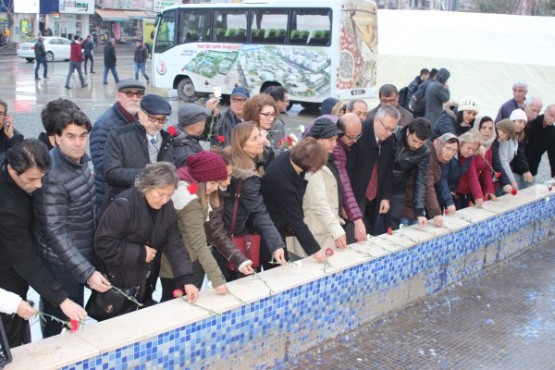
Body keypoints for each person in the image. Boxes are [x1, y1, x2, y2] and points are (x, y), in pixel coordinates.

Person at [0, 140, 86, 347]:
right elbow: (24, 259)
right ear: (12, 170)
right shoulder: (7, 205)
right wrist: (61, 300)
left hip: (17, 259)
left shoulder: (13, 162)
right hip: (5, 272)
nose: (39, 185)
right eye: (32, 179)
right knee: (9, 332)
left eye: (42, 177)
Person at [33, 110, 111, 338]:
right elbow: (54, 231)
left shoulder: (82, 161)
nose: (78, 143)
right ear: (56, 138)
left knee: (74, 322)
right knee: (58, 323)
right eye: (70, 136)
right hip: (59, 263)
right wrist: (86, 272)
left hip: (79, 255)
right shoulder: (53, 175)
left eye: (83, 135)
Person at [94, 162, 199, 306]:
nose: (165, 200)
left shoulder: (167, 208)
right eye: (160, 194)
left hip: (145, 280)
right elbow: (103, 244)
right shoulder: (123, 206)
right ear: (146, 186)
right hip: (120, 281)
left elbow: (175, 244)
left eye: (169, 195)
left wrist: (186, 280)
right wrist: (140, 253)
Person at [213, 122, 286, 279]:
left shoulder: (232, 158)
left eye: (259, 135)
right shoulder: (245, 176)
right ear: (242, 146)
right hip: (234, 238)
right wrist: (276, 244)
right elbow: (259, 212)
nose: (261, 140)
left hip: (222, 235)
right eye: (254, 139)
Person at [160, 152, 234, 301]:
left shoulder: (191, 185)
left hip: (178, 261)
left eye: (218, 183)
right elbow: (199, 244)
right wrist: (218, 280)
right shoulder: (190, 201)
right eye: (213, 183)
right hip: (180, 266)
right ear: (201, 179)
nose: (215, 188)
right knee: (176, 307)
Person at [261, 136, 329, 263]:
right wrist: (315, 250)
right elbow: (295, 220)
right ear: (311, 164)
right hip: (269, 225)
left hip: (274, 218)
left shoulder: (291, 157)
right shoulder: (283, 182)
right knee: (278, 266)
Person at [288, 118, 346, 258]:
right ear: (318, 140)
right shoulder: (311, 163)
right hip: (315, 237)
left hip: (321, 233)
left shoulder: (320, 158)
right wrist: (337, 231)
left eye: (336, 139)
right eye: (331, 140)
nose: (335, 144)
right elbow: (319, 204)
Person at [103, 94, 173, 209]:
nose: (156, 123)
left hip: (157, 205)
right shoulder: (118, 135)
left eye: (161, 119)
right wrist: (148, 174)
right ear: (140, 114)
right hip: (126, 205)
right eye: (152, 118)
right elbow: (111, 173)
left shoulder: (167, 139)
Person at [90, 79, 145, 210]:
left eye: (139, 94)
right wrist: (146, 173)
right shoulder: (104, 125)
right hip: (111, 196)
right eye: (129, 94)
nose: (135, 98)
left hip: (132, 193)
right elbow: (103, 166)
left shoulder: (140, 119)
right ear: (119, 95)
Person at [348, 106, 400, 235]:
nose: (388, 133)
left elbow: (388, 169)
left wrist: (386, 196)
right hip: (355, 194)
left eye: (392, 130)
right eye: (387, 128)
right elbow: (347, 169)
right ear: (377, 119)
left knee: (369, 230)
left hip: (375, 196)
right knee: (354, 233)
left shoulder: (389, 139)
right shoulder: (360, 132)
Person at [404, 133, 459, 227]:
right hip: (404, 203)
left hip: (414, 203)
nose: (450, 153)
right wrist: (436, 213)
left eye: (454, 150)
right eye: (447, 148)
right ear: (440, 145)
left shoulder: (439, 160)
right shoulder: (429, 156)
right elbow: (427, 186)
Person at [387, 118, 431, 230]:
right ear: (408, 132)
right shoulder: (393, 134)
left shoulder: (424, 151)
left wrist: (420, 211)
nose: (416, 146)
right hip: (380, 183)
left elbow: (421, 181)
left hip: (399, 186)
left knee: (393, 224)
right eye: (414, 140)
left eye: (421, 143)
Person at [333, 113, 367, 243]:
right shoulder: (335, 147)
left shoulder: (349, 142)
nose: (356, 140)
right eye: (352, 137)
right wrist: (357, 219)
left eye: (358, 136)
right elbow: (344, 183)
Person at [455, 116, 498, 209]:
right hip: (457, 191)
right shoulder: (470, 143)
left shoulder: (489, 146)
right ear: (478, 127)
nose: (487, 131)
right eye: (484, 127)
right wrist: (478, 195)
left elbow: (487, 170)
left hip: (469, 191)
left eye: (490, 128)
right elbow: (472, 173)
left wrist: (489, 190)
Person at [438, 131, 482, 215]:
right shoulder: (450, 155)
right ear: (461, 144)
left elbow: (472, 175)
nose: (470, 152)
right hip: (439, 191)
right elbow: (442, 179)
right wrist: (449, 201)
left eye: (474, 150)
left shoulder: (468, 157)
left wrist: (478, 195)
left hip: (451, 192)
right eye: (468, 148)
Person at [242, 94, 279, 163]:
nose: (271, 119)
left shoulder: (267, 133)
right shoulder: (244, 133)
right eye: (266, 114)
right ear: (254, 113)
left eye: (273, 114)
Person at [526, 104, 555, 181]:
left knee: (530, 192)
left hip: (533, 167)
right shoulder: (533, 121)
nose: (553, 119)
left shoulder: (553, 131)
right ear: (545, 112)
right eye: (551, 115)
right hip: (519, 165)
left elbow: (553, 154)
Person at [493, 118, 518, 196]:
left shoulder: (497, 141)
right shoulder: (494, 141)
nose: (503, 136)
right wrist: (510, 181)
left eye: (507, 136)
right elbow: (500, 161)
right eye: (503, 132)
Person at [509, 108, 533, 189]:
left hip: (508, 170)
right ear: (512, 121)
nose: (522, 125)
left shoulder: (517, 137)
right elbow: (502, 160)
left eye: (524, 123)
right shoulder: (506, 136)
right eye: (519, 122)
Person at [0, 98, 24, 164]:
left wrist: (11, 136)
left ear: (6, 117)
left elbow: (22, 160)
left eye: (0, 114)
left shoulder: (11, 135)